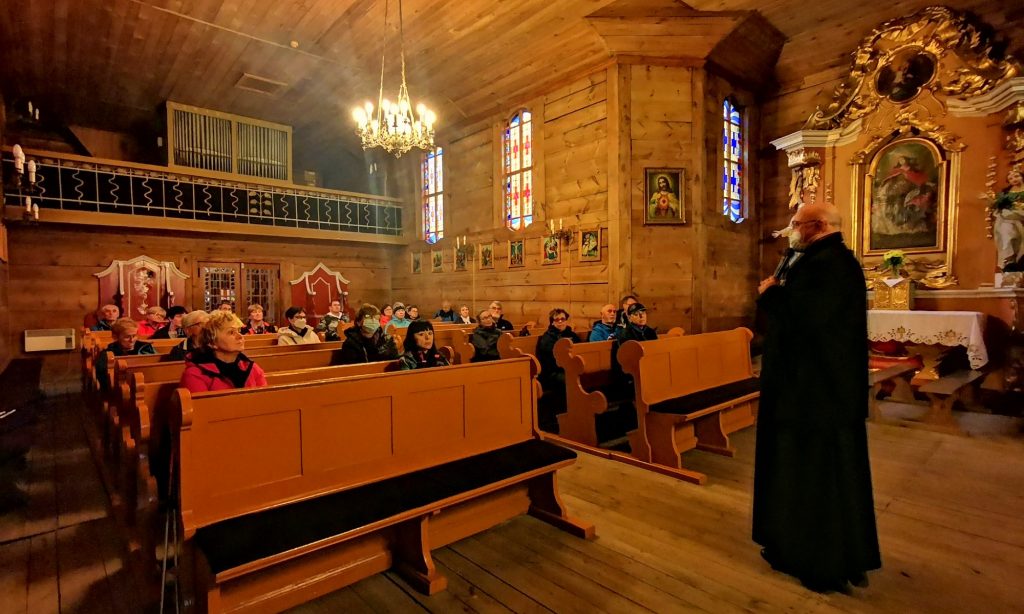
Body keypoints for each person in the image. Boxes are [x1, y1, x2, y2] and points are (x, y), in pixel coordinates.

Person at [754, 203, 880, 593]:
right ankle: (834, 553)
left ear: (818, 226)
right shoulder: (826, 261)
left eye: (796, 225)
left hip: (812, 395)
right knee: (826, 475)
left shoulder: (827, 265)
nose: (791, 231)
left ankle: (819, 561)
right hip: (817, 391)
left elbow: (807, 322)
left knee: (815, 478)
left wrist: (771, 294)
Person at [179, 311, 267, 392]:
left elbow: (265, 401)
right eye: (231, 332)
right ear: (212, 342)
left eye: (238, 331)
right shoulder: (195, 375)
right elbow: (202, 408)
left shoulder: (251, 367)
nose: (240, 336)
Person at [95, 318, 156, 392]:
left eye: (134, 336)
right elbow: (103, 379)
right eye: (127, 337)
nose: (132, 340)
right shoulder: (108, 352)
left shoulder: (146, 347)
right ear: (116, 337)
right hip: (120, 390)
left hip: (148, 385)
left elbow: (158, 367)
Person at [536, 309, 580, 392]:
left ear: (566, 320)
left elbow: (579, 349)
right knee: (570, 378)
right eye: (557, 319)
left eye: (563, 319)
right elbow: (550, 360)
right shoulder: (547, 338)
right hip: (553, 371)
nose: (560, 321)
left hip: (571, 367)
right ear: (552, 322)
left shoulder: (572, 335)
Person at [992, 168, 1024, 272]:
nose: (1014, 179)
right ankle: (1009, 259)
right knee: (1005, 228)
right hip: (1010, 219)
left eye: (1016, 176)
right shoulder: (1006, 193)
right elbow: (999, 207)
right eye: (1010, 178)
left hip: (1021, 216)